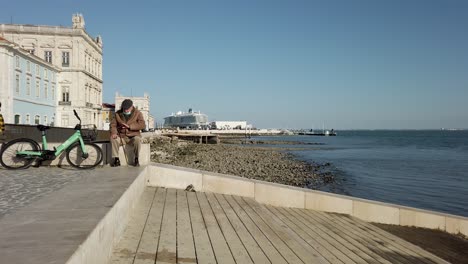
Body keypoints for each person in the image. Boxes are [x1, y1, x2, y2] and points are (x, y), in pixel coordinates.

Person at [110, 99, 146, 167]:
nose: (126, 110)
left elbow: (142, 125)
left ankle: (136, 158)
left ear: (132, 107)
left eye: (128, 108)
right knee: (113, 139)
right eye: (124, 108)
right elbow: (113, 125)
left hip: (133, 136)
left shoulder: (138, 113)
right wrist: (114, 133)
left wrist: (130, 127)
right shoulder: (117, 113)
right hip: (121, 136)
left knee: (137, 140)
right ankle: (116, 159)